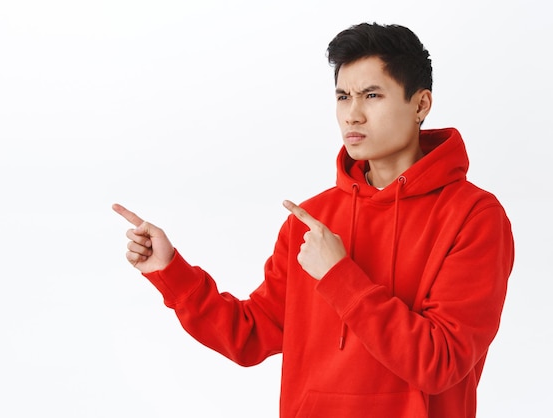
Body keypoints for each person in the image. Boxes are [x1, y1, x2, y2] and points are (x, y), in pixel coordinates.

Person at [112, 22, 514, 418]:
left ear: (421, 105)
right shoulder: (312, 220)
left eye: (371, 95)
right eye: (342, 96)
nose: (352, 115)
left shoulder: (474, 216)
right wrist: (169, 270)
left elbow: (440, 362)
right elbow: (250, 335)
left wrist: (340, 276)